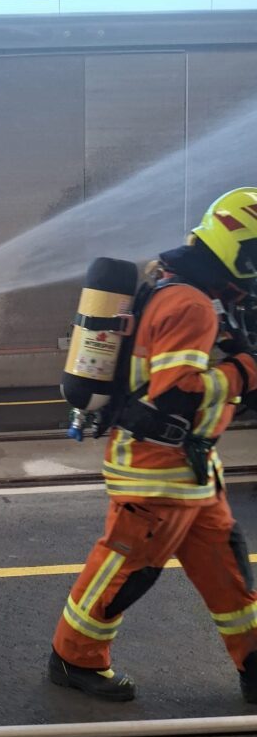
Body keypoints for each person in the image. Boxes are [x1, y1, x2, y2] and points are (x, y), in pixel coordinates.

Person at [49, 187, 257, 703]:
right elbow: (178, 394)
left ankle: (254, 664)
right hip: (156, 470)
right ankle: (74, 659)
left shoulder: (184, 289)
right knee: (126, 570)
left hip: (191, 471)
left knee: (229, 572)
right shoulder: (191, 304)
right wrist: (244, 372)